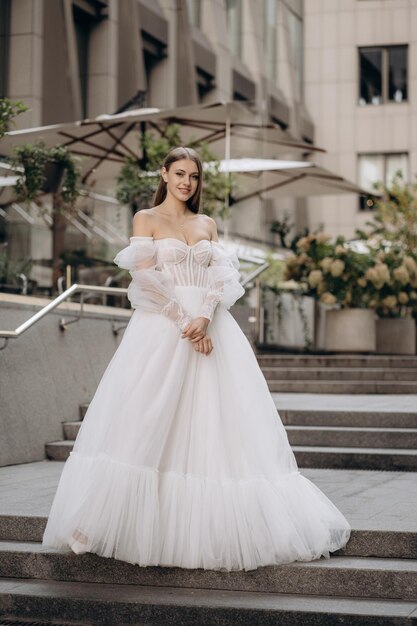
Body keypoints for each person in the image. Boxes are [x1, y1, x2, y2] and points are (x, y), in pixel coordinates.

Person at [42, 146, 351, 571]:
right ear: (164, 174)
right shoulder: (145, 219)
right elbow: (146, 280)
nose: (187, 182)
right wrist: (185, 322)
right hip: (163, 327)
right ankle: (96, 521)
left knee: (217, 424)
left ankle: (224, 528)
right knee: (144, 417)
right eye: (180, 173)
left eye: (194, 176)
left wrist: (205, 317)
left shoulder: (206, 223)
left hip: (212, 327)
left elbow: (223, 276)